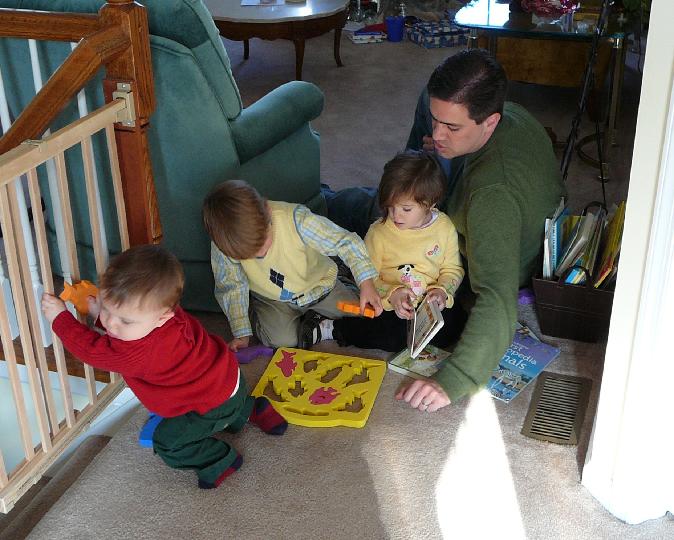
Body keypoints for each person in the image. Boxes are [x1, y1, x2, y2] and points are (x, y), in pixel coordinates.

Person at [323, 49, 566, 412]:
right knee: (428, 103)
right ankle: (414, 165)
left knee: (376, 207)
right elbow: (444, 124)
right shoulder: (515, 115)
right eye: (437, 122)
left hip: (470, 235)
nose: (438, 134)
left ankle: (324, 200)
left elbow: (497, 299)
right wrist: (443, 142)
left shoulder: (491, 200)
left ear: (490, 122)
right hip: (486, 199)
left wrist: (454, 380)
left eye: (452, 128)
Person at [41, 245, 288, 490]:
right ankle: (251, 409)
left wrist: (60, 319)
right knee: (223, 401)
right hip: (230, 378)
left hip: (212, 405)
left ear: (162, 317)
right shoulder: (168, 312)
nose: (110, 323)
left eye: (124, 320)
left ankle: (218, 461)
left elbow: (89, 349)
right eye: (106, 307)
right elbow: (125, 322)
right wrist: (102, 312)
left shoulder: (135, 353)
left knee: (169, 442)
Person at [302, 151, 465, 352]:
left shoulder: (444, 227)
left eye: (406, 209)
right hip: (390, 304)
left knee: (456, 324)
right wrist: (393, 295)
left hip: (428, 306)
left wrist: (441, 291)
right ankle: (333, 327)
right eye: (390, 207)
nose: (395, 215)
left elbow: (453, 269)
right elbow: (368, 278)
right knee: (389, 335)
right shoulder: (379, 233)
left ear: (431, 204)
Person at [202, 180, 383, 351]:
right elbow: (231, 285)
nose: (262, 254)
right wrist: (242, 332)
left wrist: (366, 283)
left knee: (365, 314)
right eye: (250, 255)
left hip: (320, 286)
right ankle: (308, 319)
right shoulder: (225, 245)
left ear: (267, 210)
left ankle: (340, 281)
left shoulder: (295, 219)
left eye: (263, 241)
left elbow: (345, 242)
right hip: (274, 299)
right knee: (280, 341)